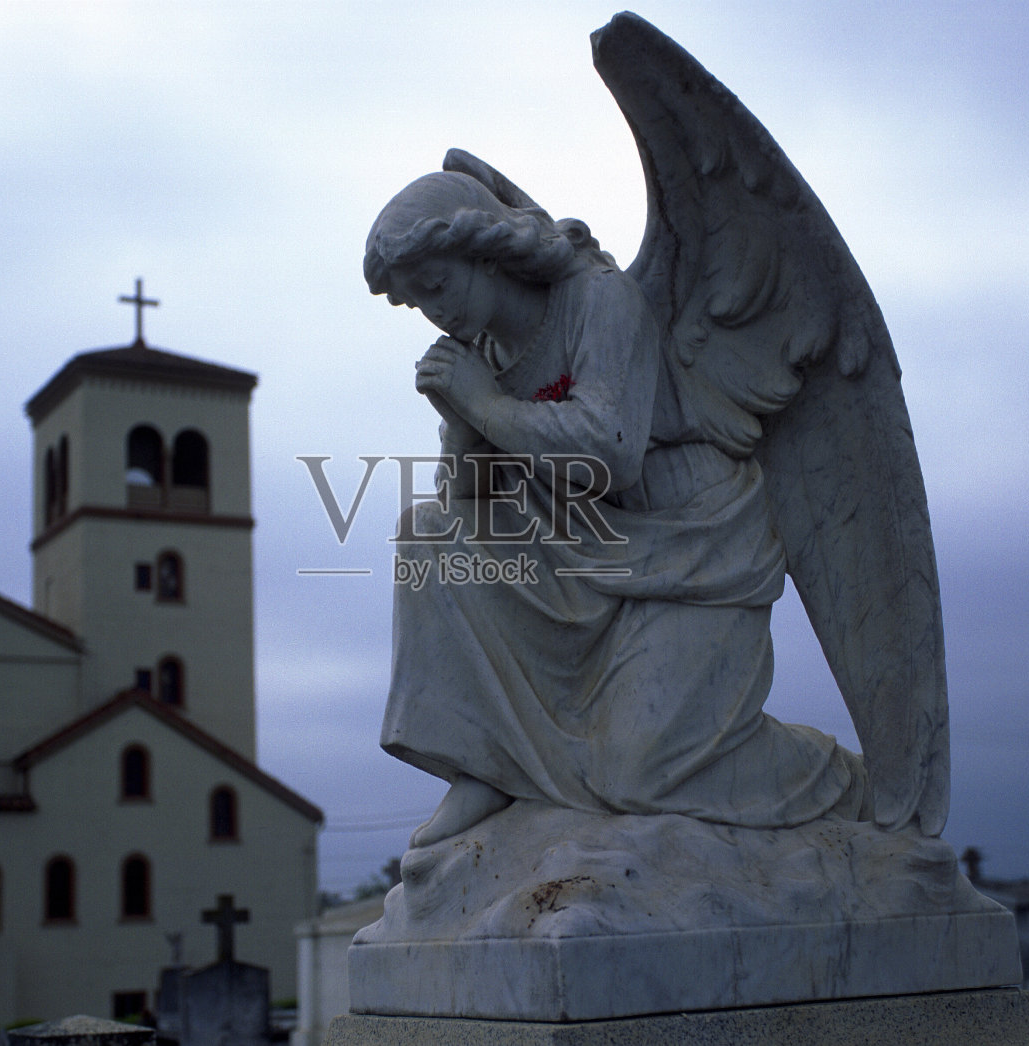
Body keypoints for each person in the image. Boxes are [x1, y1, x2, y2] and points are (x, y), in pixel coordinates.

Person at [365, 170, 869, 848]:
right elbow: (466, 502)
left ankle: (845, 785)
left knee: (640, 772)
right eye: (416, 300)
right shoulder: (482, 350)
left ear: (485, 252)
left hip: (690, 546)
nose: (434, 311)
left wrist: (486, 405)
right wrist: (459, 420)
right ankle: (481, 765)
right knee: (427, 534)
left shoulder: (600, 300)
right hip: (577, 550)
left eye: (437, 285)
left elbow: (611, 452)